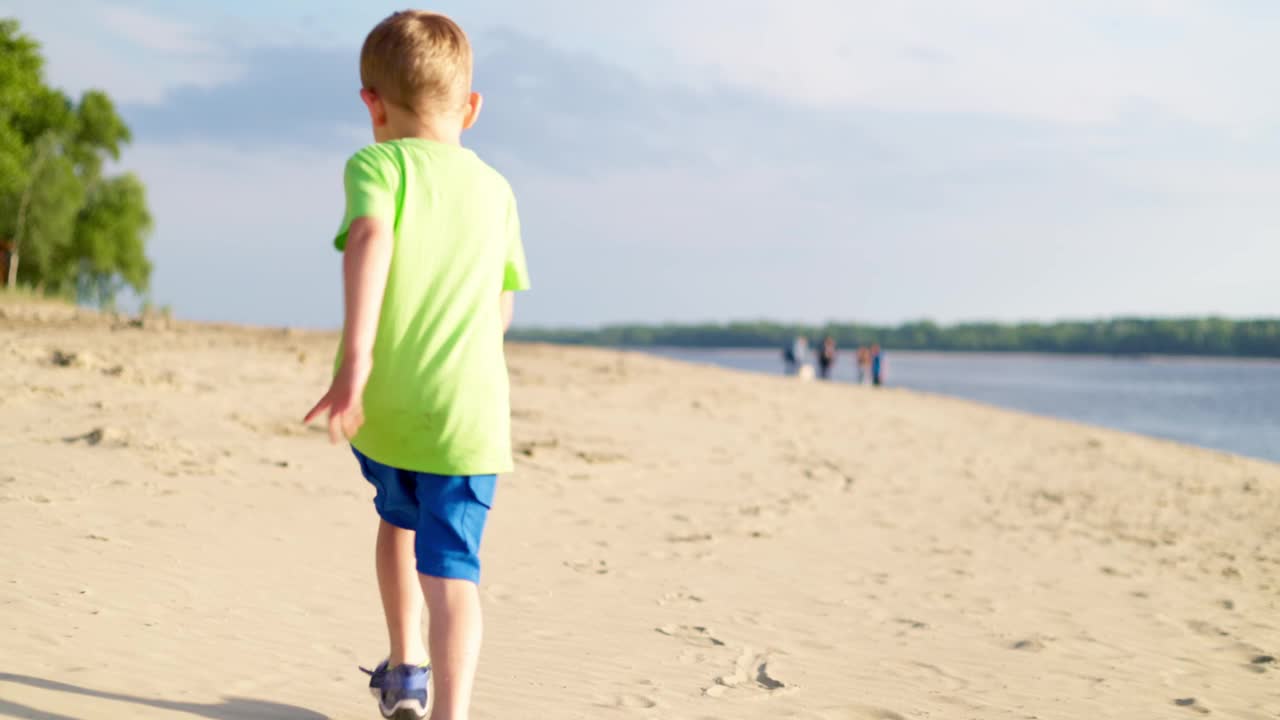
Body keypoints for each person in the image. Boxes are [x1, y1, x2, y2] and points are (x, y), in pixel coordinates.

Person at [303, 11, 530, 720]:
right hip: (467, 417)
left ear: (372, 102)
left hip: (390, 407)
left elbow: (369, 235)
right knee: (453, 577)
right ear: (471, 107)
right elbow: (500, 306)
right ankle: (450, 713)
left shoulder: (375, 164)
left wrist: (356, 362)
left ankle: (406, 670)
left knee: (397, 525)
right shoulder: (496, 190)